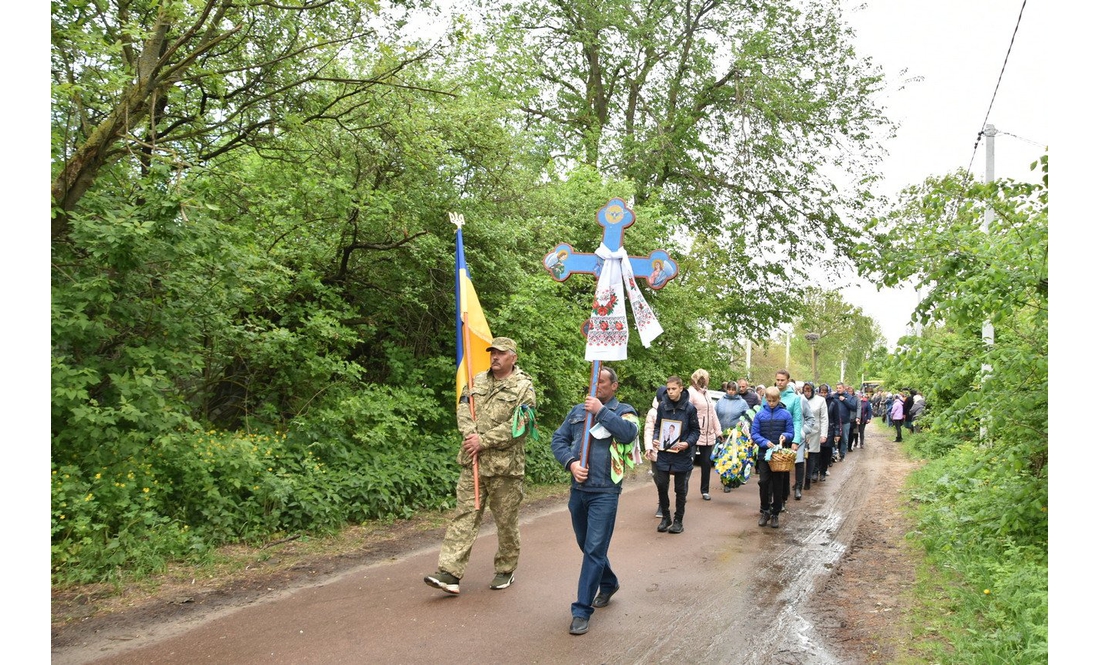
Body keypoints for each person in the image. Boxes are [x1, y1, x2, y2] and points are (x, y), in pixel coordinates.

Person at [425, 337, 537, 595]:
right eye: (492, 353)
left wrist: (483, 441)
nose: (495, 357)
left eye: (501, 353)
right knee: (464, 516)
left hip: (505, 468)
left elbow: (520, 427)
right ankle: (449, 572)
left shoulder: (524, 387)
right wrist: (470, 436)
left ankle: (505, 569)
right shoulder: (477, 380)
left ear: (513, 357)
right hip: (472, 462)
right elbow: (463, 408)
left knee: (505, 521)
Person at [550, 365, 639, 636]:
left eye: (601, 381)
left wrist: (600, 410)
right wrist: (571, 463)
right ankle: (609, 582)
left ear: (614, 386)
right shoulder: (578, 410)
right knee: (586, 545)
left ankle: (581, 610)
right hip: (578, 490)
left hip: (605, 492)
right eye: (594, 380)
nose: (596, 385)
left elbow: (628, 433)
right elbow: (558, 440)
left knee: (593, 550)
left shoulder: (624, 411)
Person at [648, 376, 700, 534]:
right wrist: (656, 438)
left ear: (681, 389)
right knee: (662, 485)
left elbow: (695, 431)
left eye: (673, 389)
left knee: (680, 488)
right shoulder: (662, 406)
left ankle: (678, 520)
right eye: (668, 389)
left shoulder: (690, 408)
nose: (670, 392)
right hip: (664, 453)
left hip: (681, 454)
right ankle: (666, 517)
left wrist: (688, 443)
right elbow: (657, 427)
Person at [751, 386, 795, 528]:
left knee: (778, 484)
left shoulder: (786, 414)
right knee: (763, 482)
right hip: (764, 454)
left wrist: (785, 436)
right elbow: (755, 434)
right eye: (769, 400)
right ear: (765, 399)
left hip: (779, 456)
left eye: (774, 401)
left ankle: (775, 513)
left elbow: (790, 432)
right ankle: (765, 510)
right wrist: (764, 442)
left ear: (779, 399)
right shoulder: (759, 415)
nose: (771, 403)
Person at [687, 369, 722, 500]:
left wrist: (718, 431)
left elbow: (713, 414)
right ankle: (683, 491)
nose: (705, 381)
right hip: (694, 433)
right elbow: (686, 412)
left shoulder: (707, 393)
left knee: (706, 463)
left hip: (708, 435)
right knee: (688, 463)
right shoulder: (690, 392)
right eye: (704, 378)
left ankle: (705, 490)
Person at [774, 370, 803, 501]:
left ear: (788, 381)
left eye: (782, 380)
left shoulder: (795, 398)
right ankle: (769, 499)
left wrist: (796, 440)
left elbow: (797, 420)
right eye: (778, 380)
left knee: (783, 471)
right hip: (770, 436)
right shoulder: (770, 394)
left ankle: (782, 499)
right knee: (769, 470)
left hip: (786, 437)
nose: (780, 382)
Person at [715, 381, 749, 493]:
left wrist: (742, 423)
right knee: (722, 458)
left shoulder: (742, 402)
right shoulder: (720, 401)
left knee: (731, 457)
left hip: (735, 435)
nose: (731, 391)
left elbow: (748, 417)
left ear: (737, 390)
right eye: (729, 389)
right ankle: (724, 479)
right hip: (722, 434)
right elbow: (714, 415)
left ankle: (730, 481)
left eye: (733, 389)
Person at [802, 381, 827, 486]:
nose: (807, 393)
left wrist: (823, 434)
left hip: (815, 432)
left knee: (812, 455)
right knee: (801, 456)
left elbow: (824, 418)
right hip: (802, 432)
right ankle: (800, 480)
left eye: (809, 390)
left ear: (812, 391)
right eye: (805, 390)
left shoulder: (820, 400)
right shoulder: (800, 399)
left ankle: (809, 477)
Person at [819, 384, 841, 479]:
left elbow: (836, 419)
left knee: (827, 451)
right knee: (817, 452)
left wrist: (837, 433)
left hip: (830, 429)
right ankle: (817, 470)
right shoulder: (816, 401)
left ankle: (823, 471)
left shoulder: (833, 402)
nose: (823, 394)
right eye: (821, 392)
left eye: (825, 392)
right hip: (818, 429)